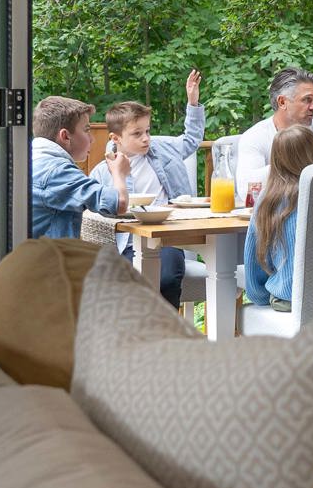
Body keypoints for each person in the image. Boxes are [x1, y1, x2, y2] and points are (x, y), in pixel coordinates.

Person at [92, 69, 204, 309]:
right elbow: (95, 213)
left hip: (166, 238)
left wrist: (192, 103)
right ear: (116, 137)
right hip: (128, 242)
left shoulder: (163, 149)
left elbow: (192, 140)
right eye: (137, 133)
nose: (146, 138)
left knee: (166, 279)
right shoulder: (103, 171)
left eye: (147, 131)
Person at [243, 124, 313, 311]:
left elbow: (255, 269)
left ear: (276, 160)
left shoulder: (269, 200)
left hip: (291, 302)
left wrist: (263, 296)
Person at [30, 96, 130, 238]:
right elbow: (119, 203)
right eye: (86, 130)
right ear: (65, 136)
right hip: (51, 258)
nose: (92, 139)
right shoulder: (57, 171)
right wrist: (118, 172)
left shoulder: (31, 161)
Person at [236, 67, 313, 200]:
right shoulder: (254, 136)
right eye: (307, 100)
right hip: (272, 216)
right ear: (282, 102)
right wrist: (291, 164)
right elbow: (246, 192)